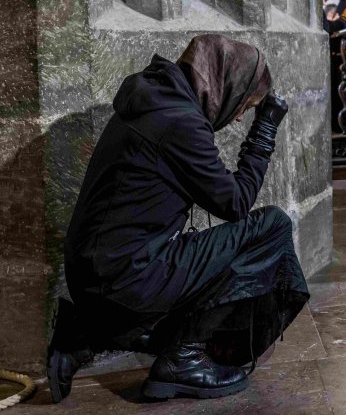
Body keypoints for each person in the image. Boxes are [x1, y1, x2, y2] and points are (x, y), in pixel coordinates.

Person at [49, 35, 307, 403]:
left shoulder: (156, 99)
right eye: (244, 106)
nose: (236, 116)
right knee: (271, 227)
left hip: (96, 275)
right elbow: (235, 203)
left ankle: (82, 337)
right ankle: (183, 359)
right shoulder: (179, 122)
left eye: (247, 112)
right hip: (120, 279)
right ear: (224, 84)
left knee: (202, 255)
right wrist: (264, 130)